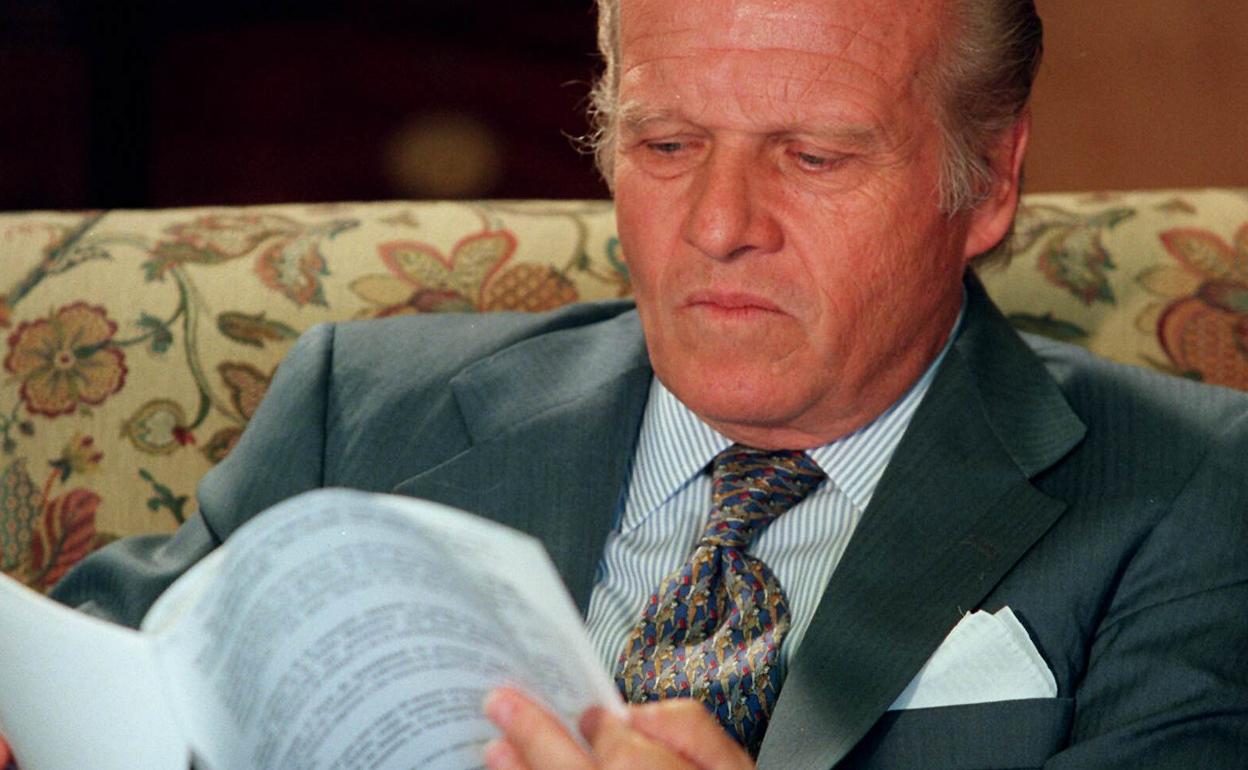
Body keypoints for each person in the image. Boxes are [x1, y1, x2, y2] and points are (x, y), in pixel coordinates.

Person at [44, 0, 1248, 767]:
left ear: (987, 182)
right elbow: (86, 679)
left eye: (813, 156)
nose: (719, 225)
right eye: (666, 146)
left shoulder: (1189, 490)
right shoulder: (360, 407)